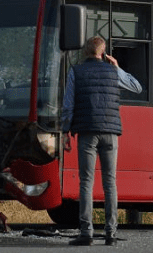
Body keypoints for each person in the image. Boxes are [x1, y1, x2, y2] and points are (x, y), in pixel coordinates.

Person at [61, 36, 142, 246]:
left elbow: (68, 105)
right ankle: (110, 234)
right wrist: (118, 67)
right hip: (110, 133)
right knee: (109, 182)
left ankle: (86, 233)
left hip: (87, 132)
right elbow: (137, 87)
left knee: (86, 182)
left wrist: (65, 131)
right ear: (103, 52)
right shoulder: (113, 71)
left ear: (85, 52)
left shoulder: (75, 72)